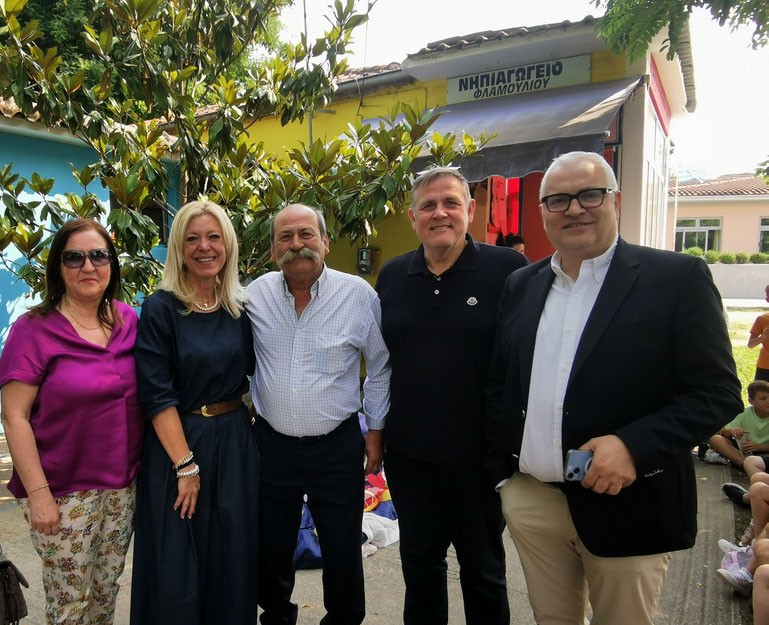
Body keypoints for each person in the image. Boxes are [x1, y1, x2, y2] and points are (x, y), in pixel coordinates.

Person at [485, 151, 743, 625]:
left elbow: (719, 393)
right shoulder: (522, 284)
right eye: (558, 200)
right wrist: (506, 478)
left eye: (589, 195)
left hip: (630, 505)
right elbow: (502, 382)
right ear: (543, 211)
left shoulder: (676, 278)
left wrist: (633, 446)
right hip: (534, 501)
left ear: (616, 201)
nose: (574, 209)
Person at [375, 166, 528, 625]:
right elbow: (381, 361)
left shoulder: (508, 270)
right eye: (428, 205)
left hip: (479, 459)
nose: (439, 213)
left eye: (450, 203)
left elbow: (525, 358)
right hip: (410, 458)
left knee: (483, 571)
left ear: (471, 210)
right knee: (420, 568)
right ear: (412, 217)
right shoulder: (393, 275)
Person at [245, 203, 390, 625]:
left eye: (306, 234)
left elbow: (380, 365)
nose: (296, 245)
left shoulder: (358, 296)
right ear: (274, 249)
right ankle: (276, 616)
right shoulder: (254, 297)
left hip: (336, 446)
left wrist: (375, 430)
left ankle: (344, 619)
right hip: (272, 444)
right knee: (272, 543)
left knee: (342, 543)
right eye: (285, 237)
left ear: (325, 242)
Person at [0, 218, 143, 624]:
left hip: (122, 487)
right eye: (74, 257)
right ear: (58, 268)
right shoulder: (33, 330)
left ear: (112, 263)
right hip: (62, 492)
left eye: (98, 255)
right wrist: (39, 495)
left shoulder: (127, 320)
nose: (88, 266)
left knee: (105, 591)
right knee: (69, 605)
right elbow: (14, 415)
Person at [129, 200, 258, 625]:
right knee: (178, 564)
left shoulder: (240, 307)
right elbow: (156, 394)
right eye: (193, 239)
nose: (204, 247)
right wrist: (186, 465)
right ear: (179, 249)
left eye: (213, 237)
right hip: (180, 446)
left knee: (232, 557)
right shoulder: (161, 308)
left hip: (235, 444)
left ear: (228, 245)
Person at [711, 379, 769, 505]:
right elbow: (723, 432)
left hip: (765, 453)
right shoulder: (745, 413)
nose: (768, 401)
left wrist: (759, 447)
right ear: (751, 401)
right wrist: (733, 431)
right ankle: (744, 464)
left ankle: (756, 484)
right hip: (744, 452)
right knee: (715, 439)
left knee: (753, 462)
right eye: (763, 398)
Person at [749, 285, 769, 382]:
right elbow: (750, 344)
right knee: (761, 390)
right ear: (767, 299)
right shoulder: (762, 319)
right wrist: (763, 337)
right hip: (765, 366)